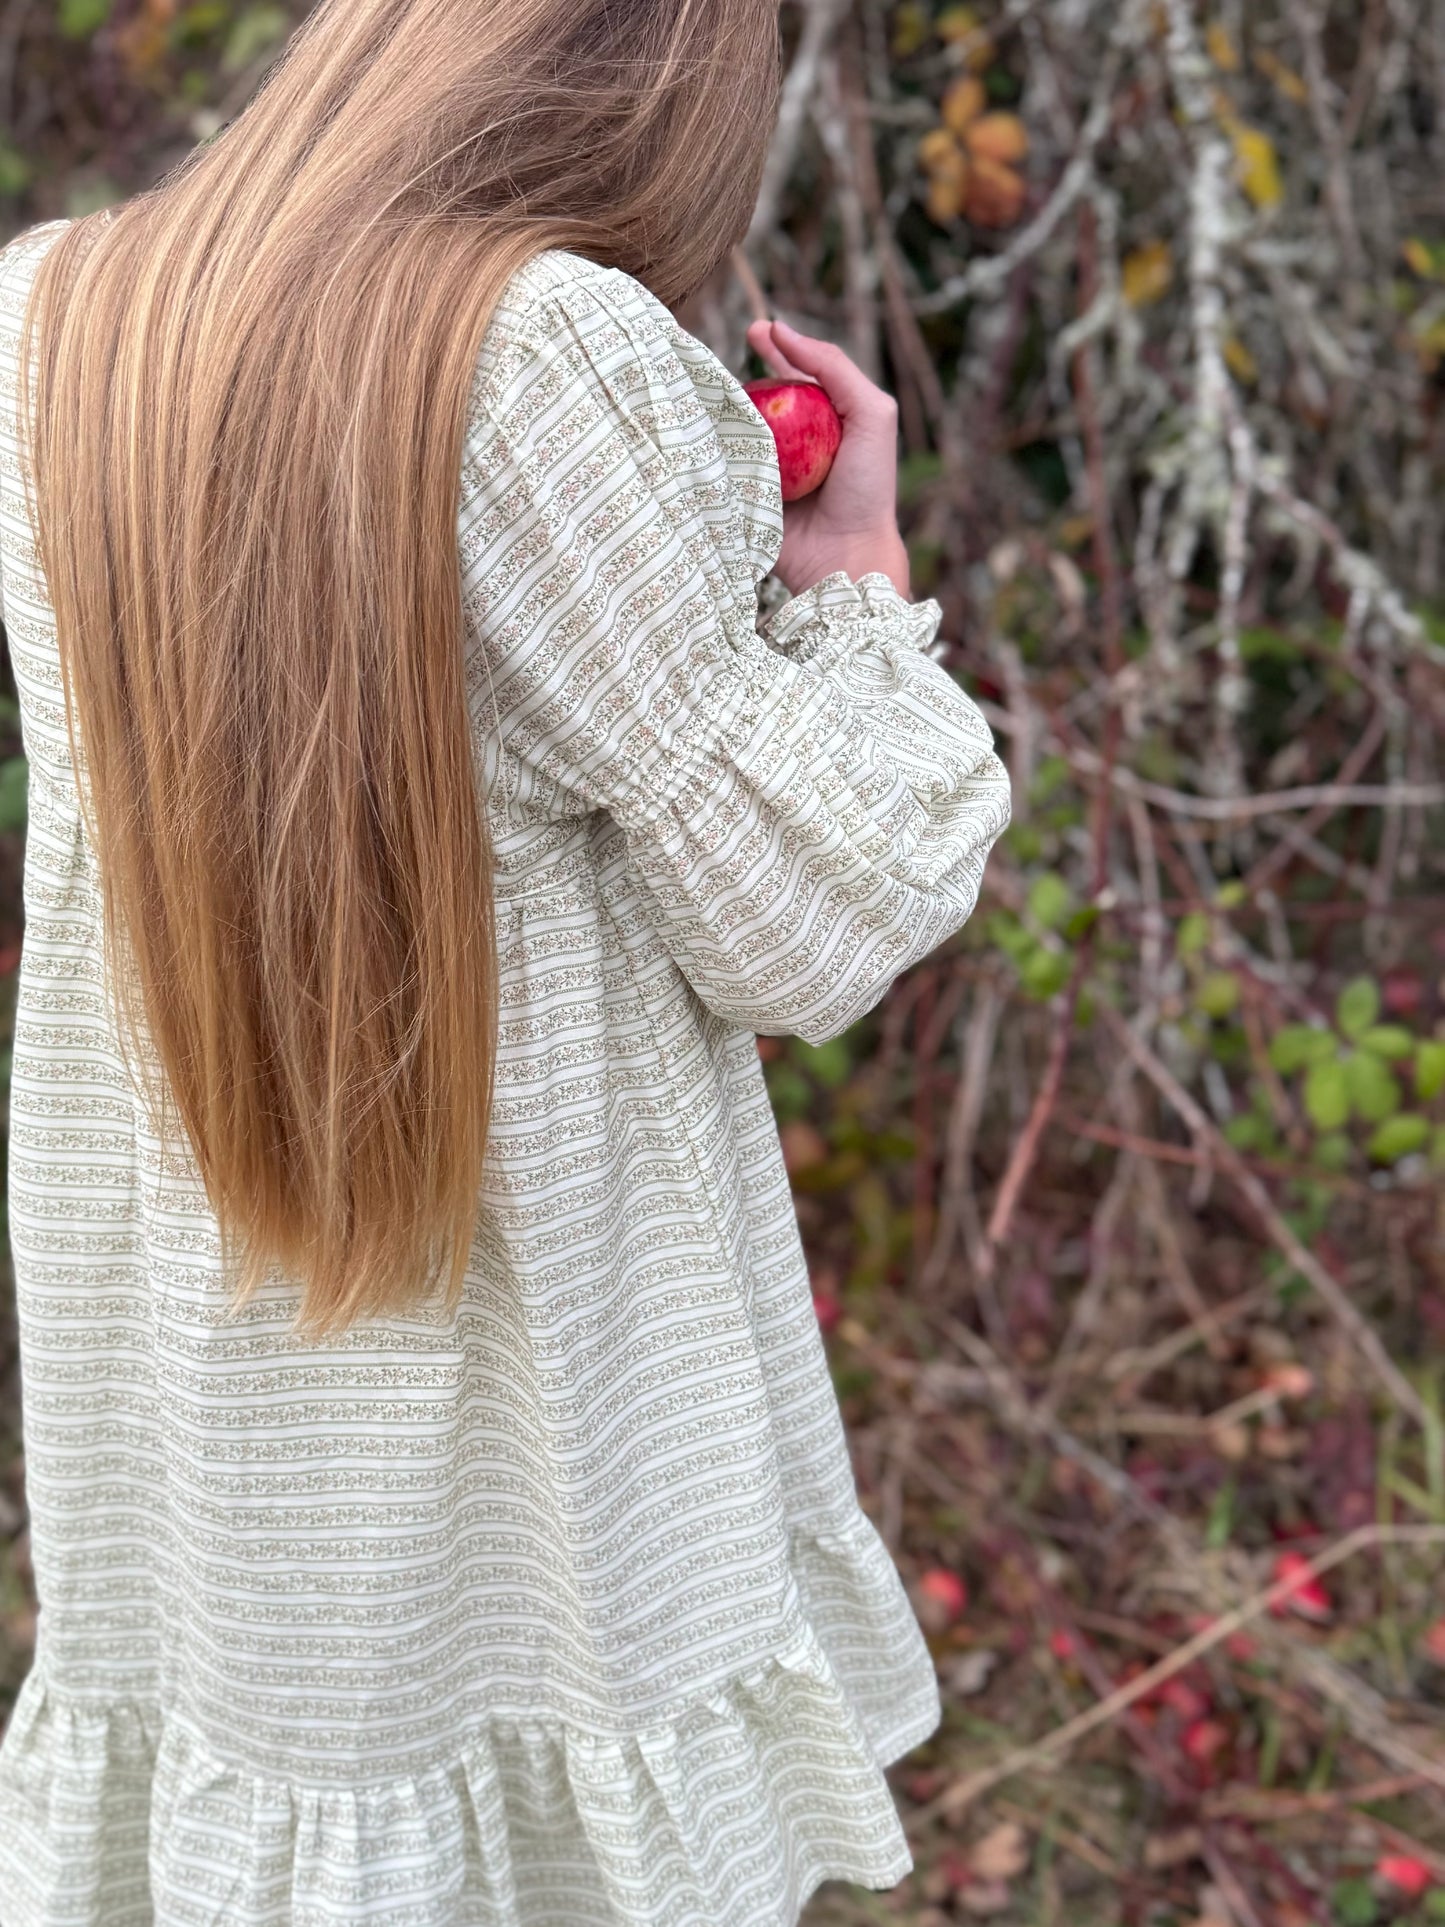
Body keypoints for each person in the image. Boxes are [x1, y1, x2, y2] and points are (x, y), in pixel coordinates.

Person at [0, 1, 1011, 1920]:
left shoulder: (51, 323)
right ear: (646, 91)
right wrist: (853, 589)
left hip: (196, 1393)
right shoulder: (551, 360)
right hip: (531, 1419)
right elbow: (811, 918)